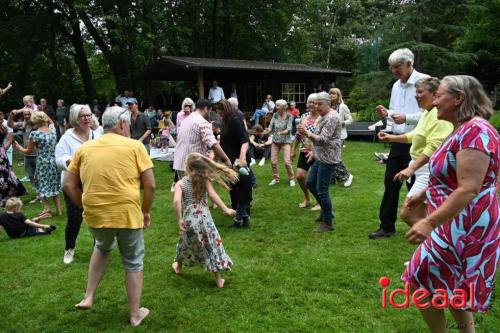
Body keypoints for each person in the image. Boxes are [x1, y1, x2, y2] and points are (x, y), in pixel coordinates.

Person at [402, 75, 499, 332]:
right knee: (452, 283)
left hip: (465, 225)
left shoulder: (476, 130)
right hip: (454, 220)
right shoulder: (462, 129)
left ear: (459, 98)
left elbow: (469, 187)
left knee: (418, 279)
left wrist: (428, 222)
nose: (434, 102)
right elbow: (454, 175)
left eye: (440, 95)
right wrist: (424, 195)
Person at [62, 106, 155, 327]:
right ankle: (135, 315)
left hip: (96, 215)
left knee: (102, 246)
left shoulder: (84, 149)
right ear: (122, 124)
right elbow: (150, 185)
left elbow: (67, 184)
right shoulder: (135, 146)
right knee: (133, 261)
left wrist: (84, 204)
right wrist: (145, 211)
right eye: (128, 124)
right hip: (127, 214)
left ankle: (89, 296)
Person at [369, 48, 429, 240]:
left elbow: (432, 112)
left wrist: (407, 118)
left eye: (397, 67)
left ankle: (422, 226)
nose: (394, 71)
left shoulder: (425, 82)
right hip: (398, 141)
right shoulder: (396, 86)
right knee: (390, 183)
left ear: (409, 64)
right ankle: (386, 227)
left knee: (416, 188)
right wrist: (387, 115)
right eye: (391, 67)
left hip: (419, 143)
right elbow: (396, 112)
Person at [377, 77, 453, 226]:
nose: (416, 96)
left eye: (420, 92)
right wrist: (391, 137)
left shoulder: (438, 115)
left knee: (409, 211)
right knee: (426, 214)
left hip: (428, 170)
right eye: (416, 92)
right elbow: (416, 135)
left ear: (434, 94)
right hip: (422, 170)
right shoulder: (427, 112)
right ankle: (437, 243)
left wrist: (411, 168)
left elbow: (433, 146)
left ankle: (437, 243)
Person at [172, 152, 237, 287]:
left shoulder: (180, 183)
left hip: (189, 219)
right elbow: (213, 196)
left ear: (187, 167)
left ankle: (178, 267)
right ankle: (219, 280)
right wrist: (225, 209)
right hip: (205, 219)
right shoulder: (204, 179)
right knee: (212, 246)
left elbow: (177, 201)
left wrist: (179, 219)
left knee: (185, 242)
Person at [55, 104, 100, 264]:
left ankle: (99, 249)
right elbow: (59, 157)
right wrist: (70, 161)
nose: (87, 118)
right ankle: (69, 249)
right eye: (83, 116)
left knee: (96, 215)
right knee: (75, 218)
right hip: (72, 184)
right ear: (76, 118)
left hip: (93, 182)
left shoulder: (97, 134)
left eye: (88, 115)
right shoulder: (67, 137)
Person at [297, 92, 341, 233]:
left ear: (328, 104)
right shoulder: (323, 116)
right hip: (319, 157)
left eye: (320, 104)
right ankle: (326, 213)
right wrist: (314, 154)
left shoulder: (332, 118)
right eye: (315, 103)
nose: (316, 106)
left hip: (329, 159)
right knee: (310, 183)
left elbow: (324, 139)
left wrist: (306, 133)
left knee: (322, 190)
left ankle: (328, 222)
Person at [15, 111, 61, 216]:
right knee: (54, 185)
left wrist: (18, 147)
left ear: (36, 120)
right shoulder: (52, 130)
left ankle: (47, 208)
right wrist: (43, 113)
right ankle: (59, 211)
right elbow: (51, 121)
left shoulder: (35, 134)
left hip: (42, 163)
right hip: (53, 162)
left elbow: (28, 151)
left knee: (40, 185)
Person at [215, 100, 253, 228]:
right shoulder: (224, 121)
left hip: (238, 162)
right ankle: (243, 217)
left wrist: (241, 159)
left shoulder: (236, 120)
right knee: (233, 188)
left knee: (242, 187)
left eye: (220, 111)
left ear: (226, 110)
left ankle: (240, 218)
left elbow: (245, 140)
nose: (219, 113)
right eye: (218, 111)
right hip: (229, 161)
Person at [173, 99, 232, 180]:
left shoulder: (185, 120)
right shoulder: (202, 122)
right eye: (209, 111)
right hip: (193, 165)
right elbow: (214, 144)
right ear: (205, 109)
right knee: (199, 192)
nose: (209, 113)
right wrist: (226, 159)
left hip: (179, 163)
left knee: (185, 191)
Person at [291, 93, 320, 208]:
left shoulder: (322, 117)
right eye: (309, 102)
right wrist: (293, 149)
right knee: (300, 176)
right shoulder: (304, 116)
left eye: (314, 102)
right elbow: (298, 134)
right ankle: (307, 198)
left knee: (316, 179)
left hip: (318, 152)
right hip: (304, 151)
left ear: (318, 103)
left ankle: (319, 202)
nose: (311, 104)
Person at [7, 107, 38, 195]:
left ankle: (43, 194)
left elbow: (41, 118)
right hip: (27, 154)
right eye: (25, 115)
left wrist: (25, 109)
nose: (27, 116)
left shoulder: (36, 124)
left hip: (37, 154)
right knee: (31, 176)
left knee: (39, 176)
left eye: (29, 114)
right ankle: (39, 194)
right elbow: (10, 125)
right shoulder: (22, 124)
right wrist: (11, 115)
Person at [265, 99, 295, 187]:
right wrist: (268, 130)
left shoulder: (289, 116)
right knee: (273, 162)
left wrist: (281, 132)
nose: (276, 107)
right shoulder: (274, 115)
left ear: (284, 107)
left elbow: (289, 129)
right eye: (276, 105)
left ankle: (291, 178)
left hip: (286, 141)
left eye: (278, 105)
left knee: (287, 162)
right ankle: (276, 178)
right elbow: (271, 126)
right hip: (275, 141)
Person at [329, 88, 354, 187]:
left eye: (334, 93)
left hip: (339, 136)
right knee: (330, 157)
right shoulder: (328, 107)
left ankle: (347, 176)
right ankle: (332, 178)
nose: (331, 95)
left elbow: (350, 119)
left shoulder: (342, 106)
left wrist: (342, 123)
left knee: (335, 157)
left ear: (338, 96)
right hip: (328, 136)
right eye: (330, 93)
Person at [0, 113, 26, 206]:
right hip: (2, 153)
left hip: (2, 155)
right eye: (0, 119)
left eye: (2, 119)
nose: (2, 121)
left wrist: (4, 148)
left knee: (5, 175)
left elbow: (9, 136)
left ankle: (7, 196)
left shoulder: (3, 128)